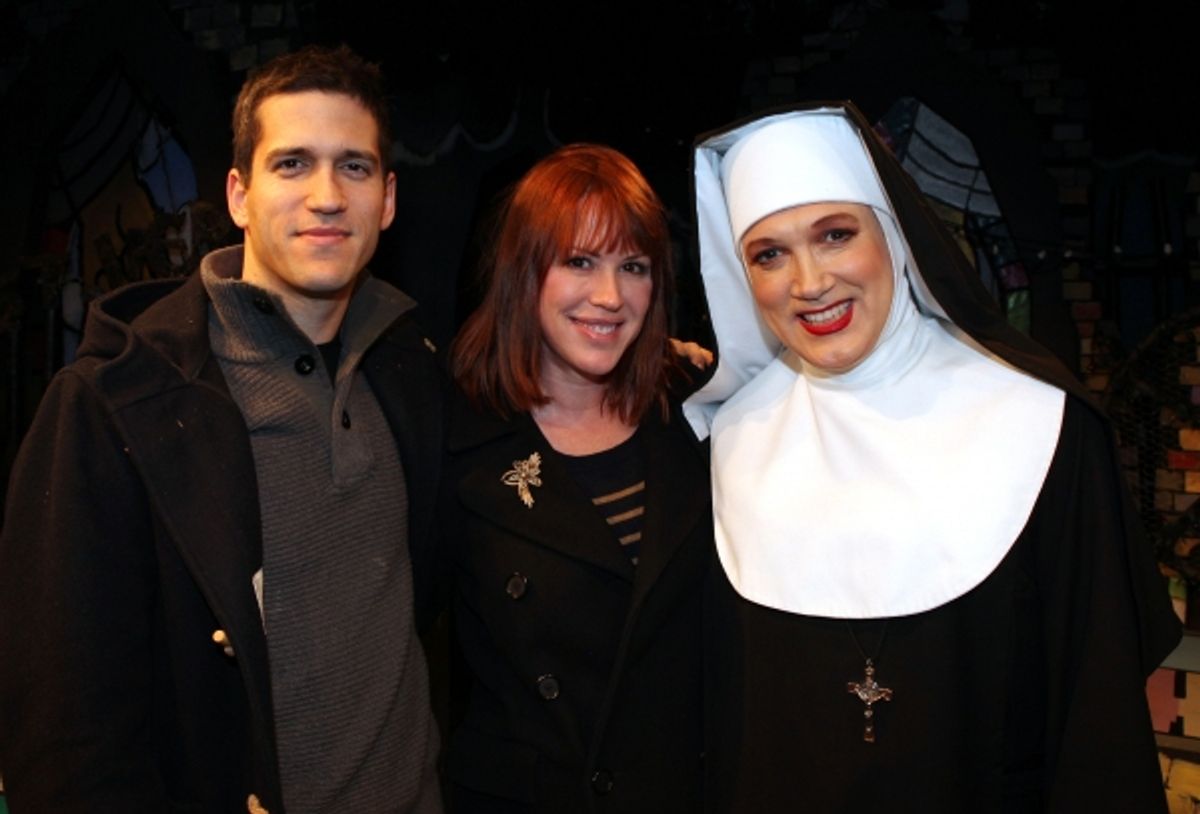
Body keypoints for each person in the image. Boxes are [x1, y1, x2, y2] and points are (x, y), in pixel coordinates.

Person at [684, 103, 1181, 812]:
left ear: (892, 235)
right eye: (768, 254)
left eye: (834, 235)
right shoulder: (726, 444)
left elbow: (1096, 719)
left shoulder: (1042, 427)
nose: (810, 282)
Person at [0, 45, 443, 813]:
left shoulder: (410, 374)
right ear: (238, 194)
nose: (328, 196)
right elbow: (66, 736)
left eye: (355, 167)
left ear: (390, 198)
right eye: (293, 164)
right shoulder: (110, 406)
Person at [442, 144, 710, 812]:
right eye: (580, 262)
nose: (610, 296)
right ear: (524, 272)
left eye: (634, 267)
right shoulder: (453, 437)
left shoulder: (701, 414)